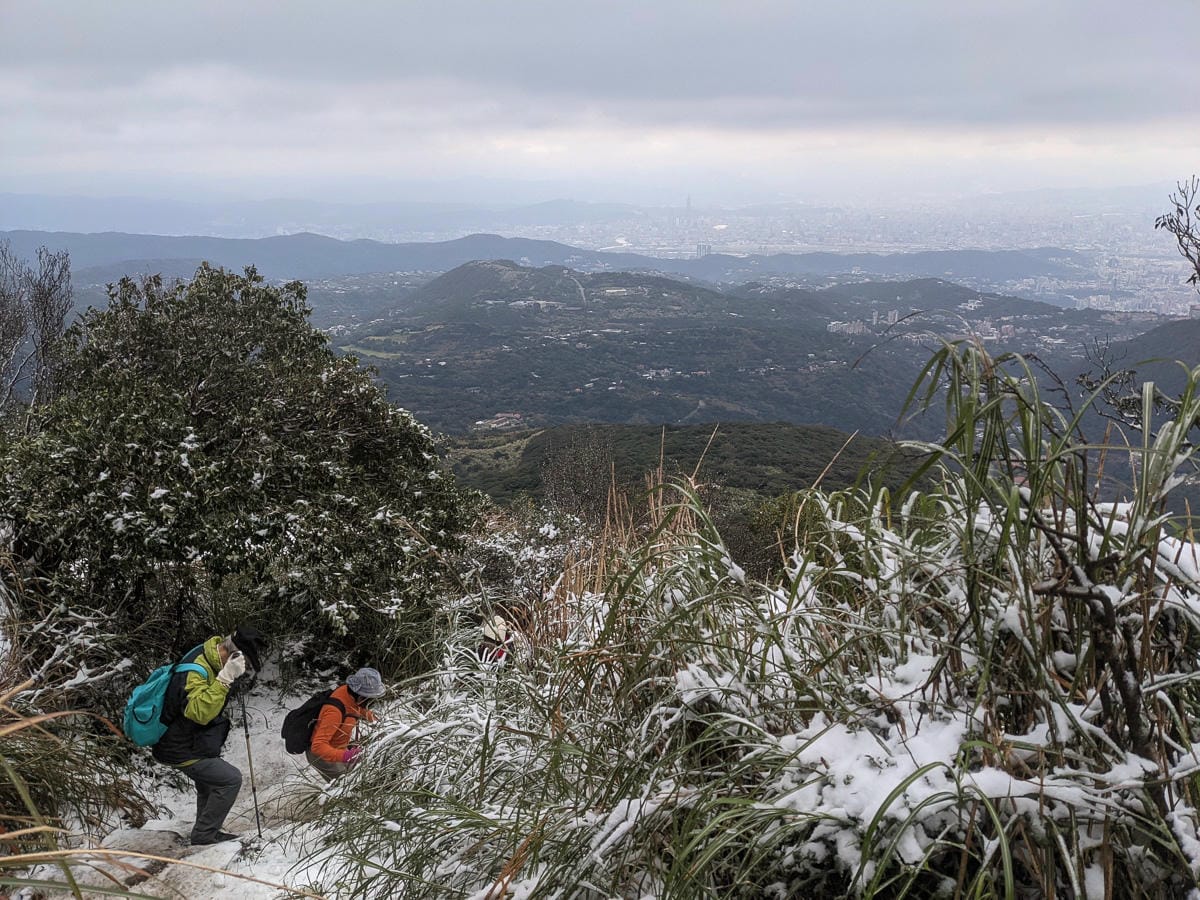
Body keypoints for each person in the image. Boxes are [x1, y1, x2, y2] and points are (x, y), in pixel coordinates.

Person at [152, 625, 264, 845]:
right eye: (245, 663)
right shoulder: (195, 669)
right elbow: (199, 712)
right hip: (179, 746)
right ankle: (204, 834)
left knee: (210, 783)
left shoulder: (206, 655)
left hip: (188, 742)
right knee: (230, 779)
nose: (244, 669)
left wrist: (227, 678)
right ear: (233, 655)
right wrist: (224, 679)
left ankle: (205, 833)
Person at [306, 667, 383, 782]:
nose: (372, 702)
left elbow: (355, 708)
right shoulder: (334, 712)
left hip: (340, 747)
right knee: (346, 786)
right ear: (361, 696)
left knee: (359, 775)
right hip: (323, 757)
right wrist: (347, 756)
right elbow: (317, 747)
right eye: (370, 698)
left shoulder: (349, 693)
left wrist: (378, 721)